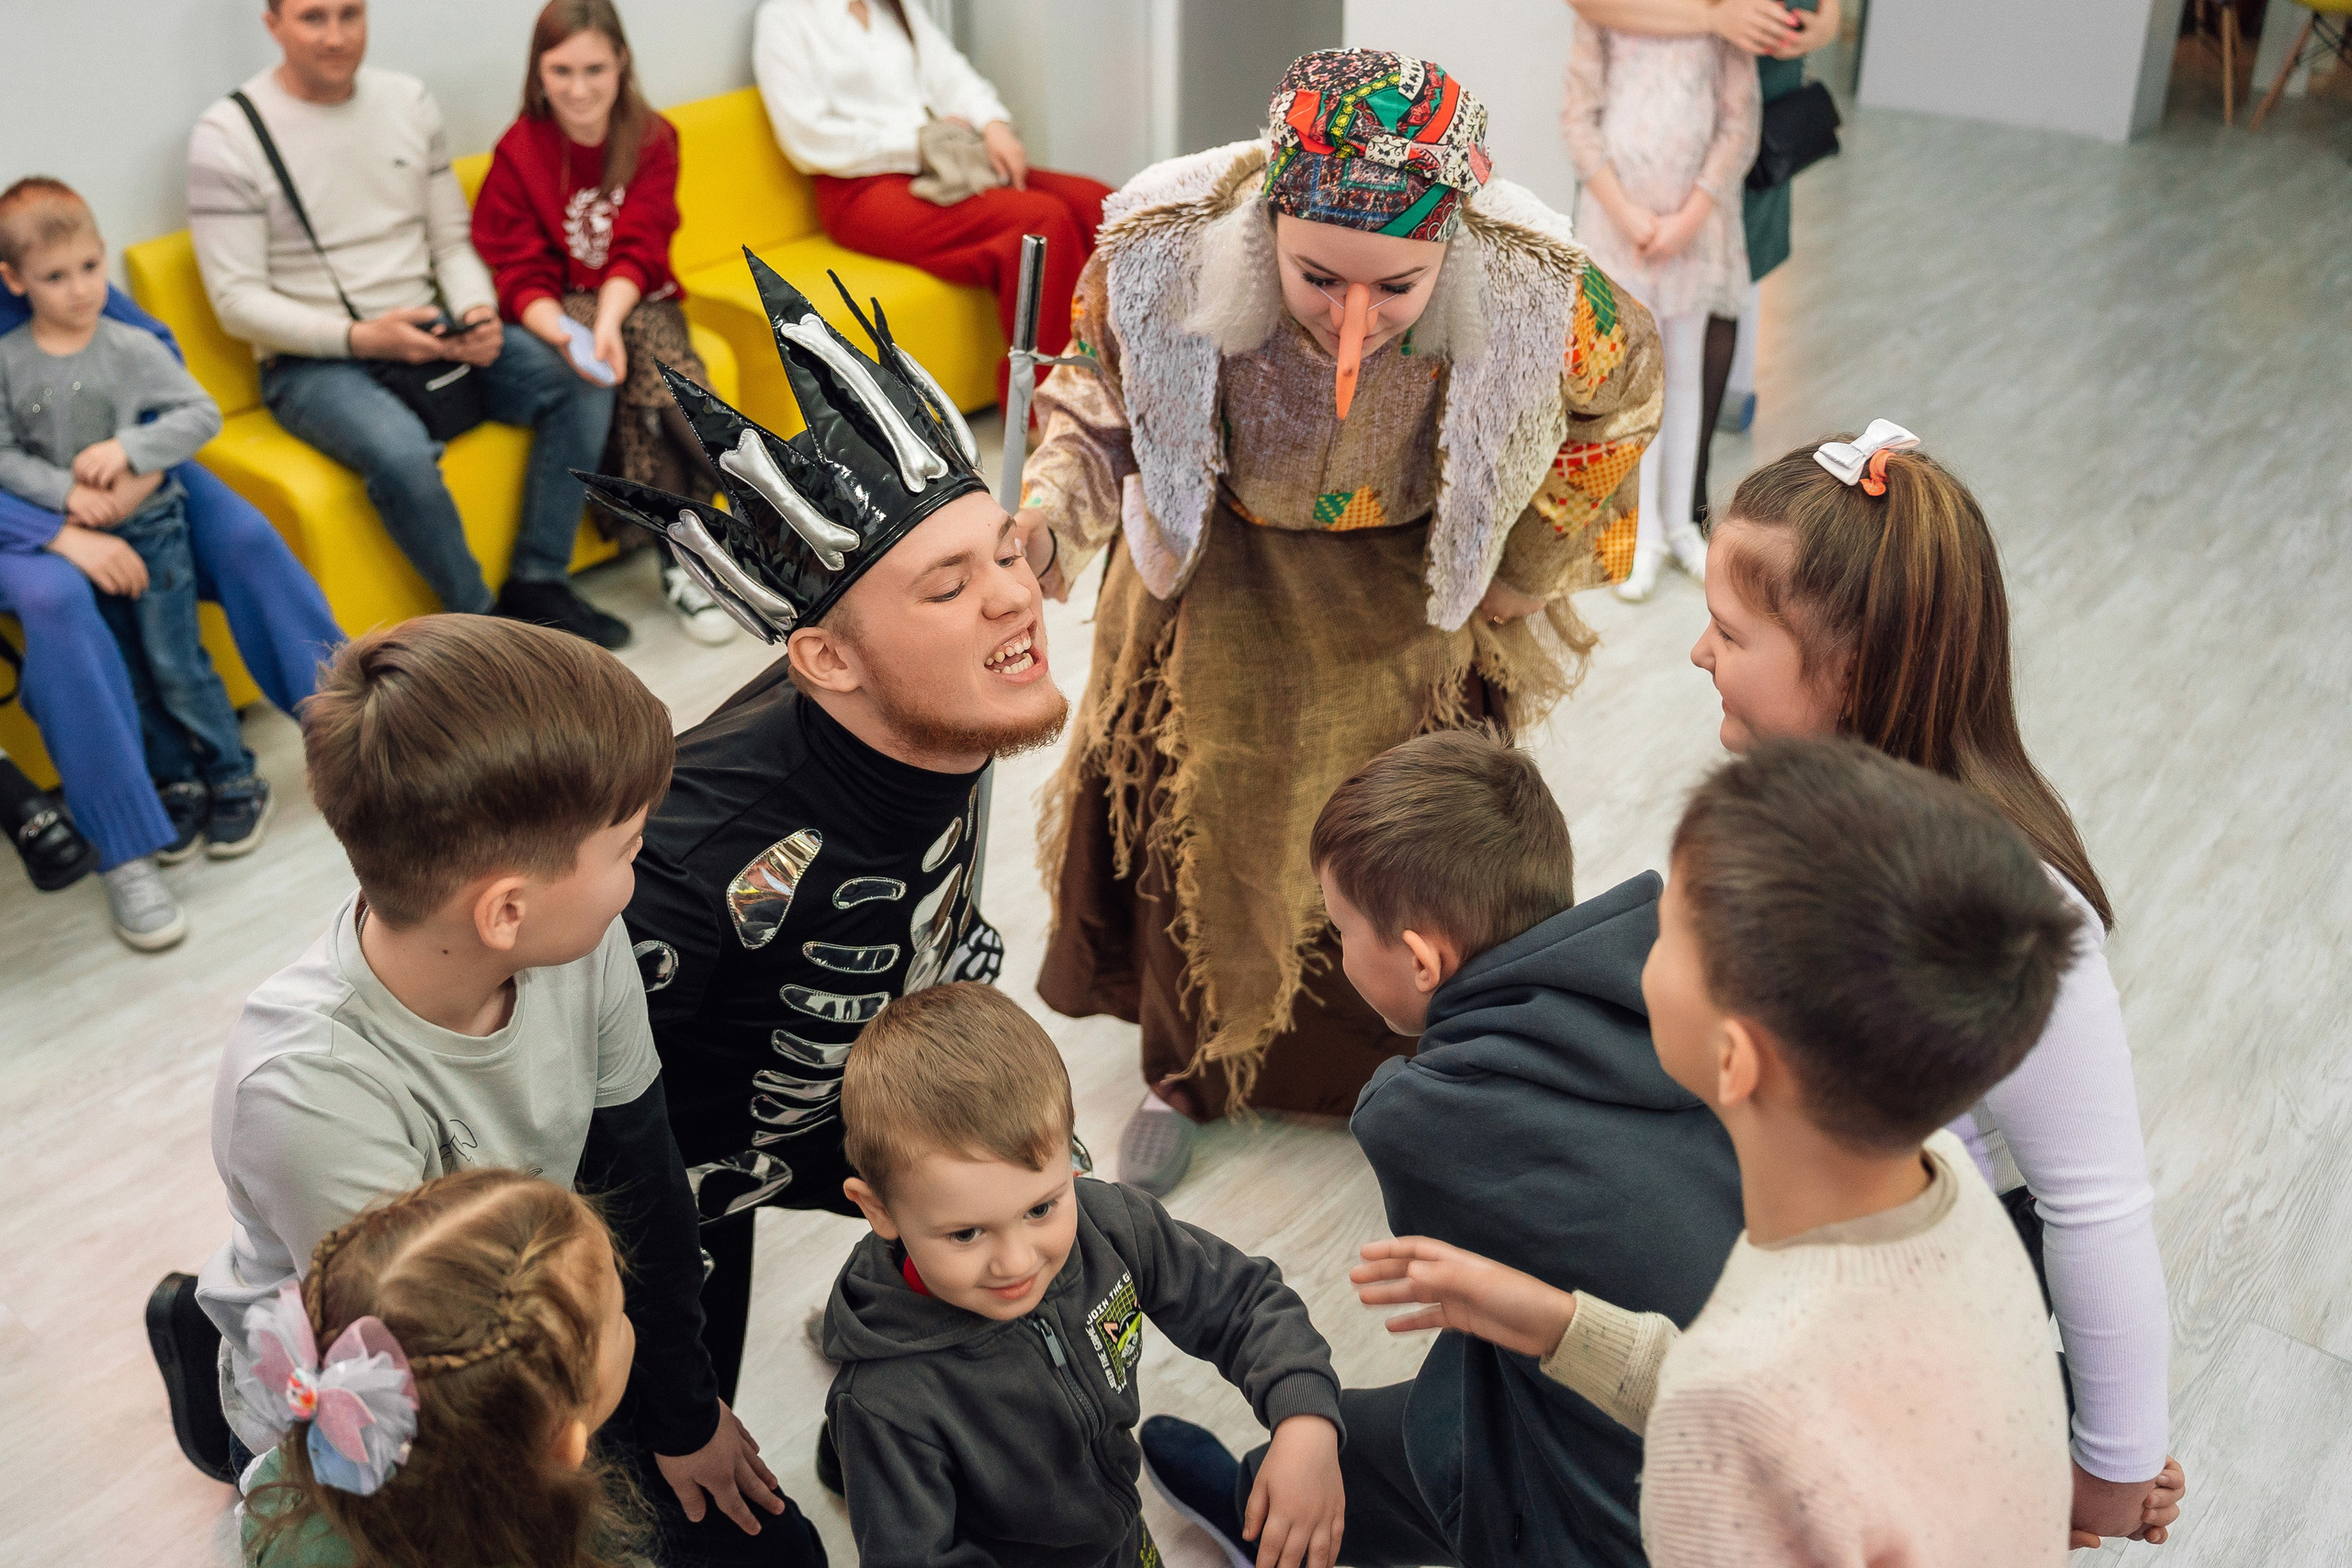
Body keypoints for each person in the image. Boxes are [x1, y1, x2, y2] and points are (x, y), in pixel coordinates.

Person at [1023, 48, 1663, 1196]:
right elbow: (1092, 400)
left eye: (1397, 290)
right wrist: (1042, 528)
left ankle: (1405, 1078)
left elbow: (1622, 403)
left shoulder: (1538, 289)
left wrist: (1526, 565)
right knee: (1198, 818)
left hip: (1407, 596)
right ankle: (1191, 1074)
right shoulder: (1159, 253)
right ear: (1267, 222)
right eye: (1318, 279)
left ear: (1451, 250)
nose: (1352, 324)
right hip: (1218, 579)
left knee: (1403, 856)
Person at [146, 615, 825, 1563]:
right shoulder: (305, 1095)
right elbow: (447, 1408)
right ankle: (209, 1349)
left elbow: (643, 1165)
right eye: (627, 847)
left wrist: (687, 1408)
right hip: (421, 1381)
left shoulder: (580, 947)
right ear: (506, 910)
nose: (644, 869)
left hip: (536, 1299)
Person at [579, 256, 1064, 1538]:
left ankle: (886, 1376)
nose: (1015, 597)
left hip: (849, 1117)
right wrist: (677, 1405)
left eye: (1003, 554)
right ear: (825, 657)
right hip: (669, 1198)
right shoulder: (692, 864)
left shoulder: (945, 712)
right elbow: (602, 1159)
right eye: (950, 585)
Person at [1357, 737, 2088, 1566]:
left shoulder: (1715, 1435)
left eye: (1671, 935)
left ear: (1736, 1056)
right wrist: (1562, 1324)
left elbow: (1741, 1409)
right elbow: (1800, 1409)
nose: (1635, 934)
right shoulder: (1950, 1188)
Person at [1688, 423, 2188, 1548]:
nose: (1696, 654)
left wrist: (2108, 1465)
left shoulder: (2001, 900)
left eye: (1727, 632)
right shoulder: (1797, 805)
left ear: (1851, 671)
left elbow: (2095, 1205)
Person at [1139, 729, 1744, 1568]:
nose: (1335, 948)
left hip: (1625, 1503)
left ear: (1420, 958)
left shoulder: (1417, 1118)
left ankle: (1266, 1523)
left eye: (1340, 927)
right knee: (1394, 1429)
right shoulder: (1676, 968)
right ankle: (1262, 1503)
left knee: (1440, 1448)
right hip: (1713, 1364)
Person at [826, 981, 1348, 1568]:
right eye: (966, 1234)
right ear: (878, 1211)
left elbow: (1241, 1303)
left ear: (1070, 1154)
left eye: (1040, 1208)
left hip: (1123, 1534)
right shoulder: (883, 1407)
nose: (1018, 1263)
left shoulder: (1111, 1223)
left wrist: (1305, 1421)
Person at [187, 0, 626, 647]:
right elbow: (236, 299)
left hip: (434, 324)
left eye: (350, 14)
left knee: (585, 376)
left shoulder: (407, 101)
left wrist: (477, 313)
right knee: (401, 456)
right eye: (313, 17)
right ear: (273, 23)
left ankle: (538, 579)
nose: (336, 36)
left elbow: (450, 243)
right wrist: (360, 336)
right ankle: (484, 629)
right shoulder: (228, 135)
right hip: (314, 359)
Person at [0, 279, 342, 946]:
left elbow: (155, 354)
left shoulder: (34, 251)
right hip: (20, 508)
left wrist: (143, 468)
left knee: (243, 538)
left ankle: (374, 732)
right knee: (56, 600)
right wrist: (60, 532)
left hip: (121, 473)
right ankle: (124, 848)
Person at [0, 177, 285, 904]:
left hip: (147, 521)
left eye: (90, 269)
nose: (79, 290)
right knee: (129, 665)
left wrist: (134, 456)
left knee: (175, 657)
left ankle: (234, 774)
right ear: (15, 280)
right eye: (55, 277)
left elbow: (193, 409)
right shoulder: (10, 358)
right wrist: (63, 503)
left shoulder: (122, 341)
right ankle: (174, 784)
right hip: (67, 521)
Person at [472, 0, 739, 647]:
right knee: (651, 361)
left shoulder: (650, 137)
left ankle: (701, 546)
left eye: (595, 68)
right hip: (561, 306)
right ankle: (752, 503)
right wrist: (568, 334)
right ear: (538, 71)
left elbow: (641, 248)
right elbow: (518, 272)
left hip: (637, 297)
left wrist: (612, 323)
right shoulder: (518, 152)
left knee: (648, 347)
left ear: (621, 62)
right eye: (561, 71)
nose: (579, 88)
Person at [235, 1168, 646, 1568]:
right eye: (619, 1315)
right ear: (564, 1446)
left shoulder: (282, 1496)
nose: (628, 1323)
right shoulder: (577, 1545)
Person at [752, 0, 1113, 406]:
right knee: (1038, 222)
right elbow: (808, 138)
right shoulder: (786, 16)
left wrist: (993, 126)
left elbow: (951, 76)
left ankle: (1115, 373)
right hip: (861, 189)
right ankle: (1042, 409)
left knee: (1095, 201)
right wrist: (922, 144)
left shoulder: (893, 7)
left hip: (944, 159)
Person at [1560, 8, 1758, 602]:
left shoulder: (1725, 19)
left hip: (1694, 228)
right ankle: (1639, 532)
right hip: (1618, 225)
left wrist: (1692, 214)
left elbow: (1738, 124)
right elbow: (1577, 117)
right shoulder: (1607, 15)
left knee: (1686, 378)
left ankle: (1678, 524)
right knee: (1632, 385)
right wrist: (1623, 213)